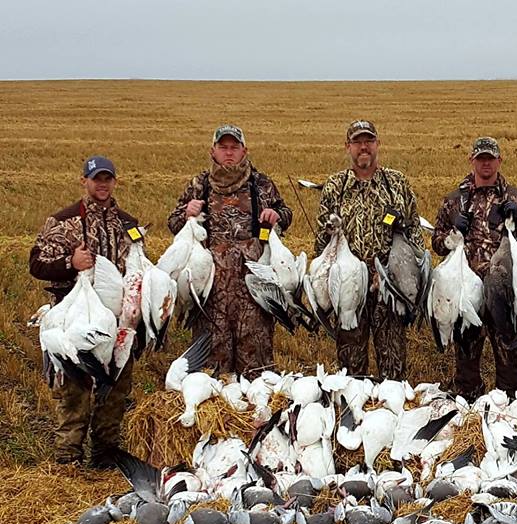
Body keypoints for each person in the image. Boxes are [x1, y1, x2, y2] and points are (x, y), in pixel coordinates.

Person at [29, 156, 141, 467]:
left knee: (115, 390)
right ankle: (68, 459)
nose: (102, 184)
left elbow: (138, 270)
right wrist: (70, 264)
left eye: (107, 178)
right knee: (75, 389)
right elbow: (36, 264)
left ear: (114, 182)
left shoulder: (128, 224)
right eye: (96, 179)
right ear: (85, 182)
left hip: (117, 322)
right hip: (75, 320)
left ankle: (104, 458)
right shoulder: (64, 221)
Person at [168, 124, 292, 376]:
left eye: (234, 147)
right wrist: (186, 213)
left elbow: (287, 214)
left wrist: (276, 214)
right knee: (211, 371)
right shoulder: (199, 185)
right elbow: (173, 223)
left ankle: (259, 414)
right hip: (210, 292)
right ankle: (213, 413)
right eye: (223, 147)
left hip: (254, 291)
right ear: (212, 151)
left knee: (256, 370)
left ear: (244, 151)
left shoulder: (261, 184)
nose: (229, 152)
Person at [432, 137, 517, 398]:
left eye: (490, 158)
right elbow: (438, 245)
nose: (486, 163)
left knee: (510, 363)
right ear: (472, 160)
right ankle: (467, 408)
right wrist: (453, 232)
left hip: (506, 293)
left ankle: (509, 407)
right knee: (466, 364)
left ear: (499, 161)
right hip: (466, 294)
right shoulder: (454, 202)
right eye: (480, 158)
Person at [314, 120, 425, 380]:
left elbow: (416, 238)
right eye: (357, 142)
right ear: (348, 147)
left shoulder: (396, 183)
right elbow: (320, 244)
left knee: (394, 369)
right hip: (350, 287)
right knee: (350, 370)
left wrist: (403, 230)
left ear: (377, 145)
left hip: (389, 287)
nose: (363, 147)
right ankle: (352, 416)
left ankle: (392, 414)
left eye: (369, 141)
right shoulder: (335, 187)